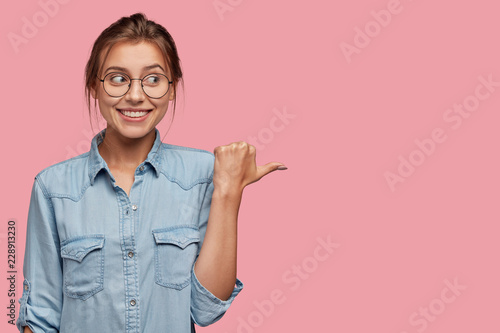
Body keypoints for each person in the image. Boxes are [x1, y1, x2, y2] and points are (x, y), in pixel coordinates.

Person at [17, 12, 286, 333]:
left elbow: (207, 309)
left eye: (153, 79)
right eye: (117, 78)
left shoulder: (205, 175)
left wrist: (228, 192)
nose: (135, 95)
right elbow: (41, 317)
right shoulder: (53, 187)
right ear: (94, 87)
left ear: (172, 88)